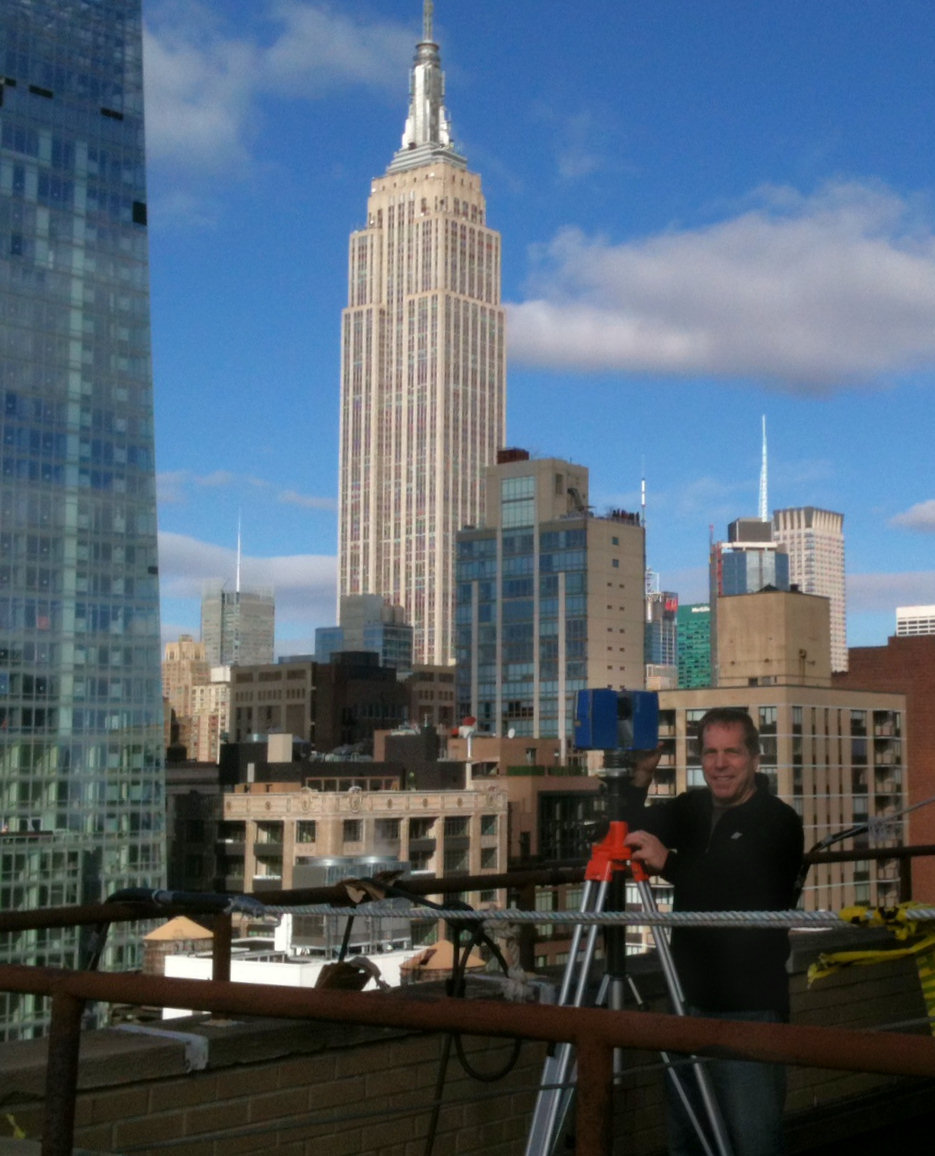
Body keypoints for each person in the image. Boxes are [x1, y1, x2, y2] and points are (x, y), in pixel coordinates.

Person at [624, 707, 804, 1156]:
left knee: (753, 1140)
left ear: (755, 759)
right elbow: (625, 833)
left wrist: (671, 862)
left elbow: (745, 892)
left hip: (749, 1009)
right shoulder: (693, 808)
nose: (720, 764)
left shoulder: (778, 821)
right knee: (688, 1139)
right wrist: (641, 776)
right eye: (710, 753)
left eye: (732, 752)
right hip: (687, 1001)